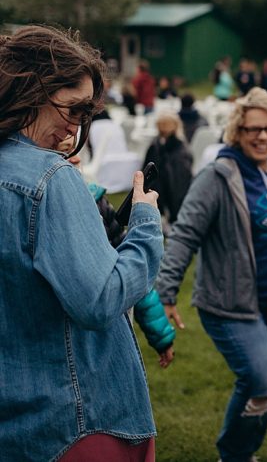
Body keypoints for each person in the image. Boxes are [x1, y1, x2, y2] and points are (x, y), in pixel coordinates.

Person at [0, 25, 162, 462]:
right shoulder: (49, 179)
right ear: (29, 92)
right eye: (71, 110)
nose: (74, 131)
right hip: (78, 420)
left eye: (85, 115)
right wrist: (145, 225)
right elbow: (99, 299)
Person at [156, 87, 267, 462]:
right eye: (253, 129)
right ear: (237, 132)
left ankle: (244, 451)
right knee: (260, 382)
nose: (263, 136)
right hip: (230, 301)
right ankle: (234, 454)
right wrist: (166, 291)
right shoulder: (218, 177)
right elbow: (185, 232)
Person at [58, 134, 177, 370]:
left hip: (107, 338)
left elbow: (133, 274)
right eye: (63, 155)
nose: (75, 160)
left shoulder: (98, 203)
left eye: (75, 153)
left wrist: (161, 336)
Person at [143, 111, 193, 224]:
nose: (163, 128)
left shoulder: (180, 149)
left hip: (173, 187)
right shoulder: (156, 145)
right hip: (159, 184)